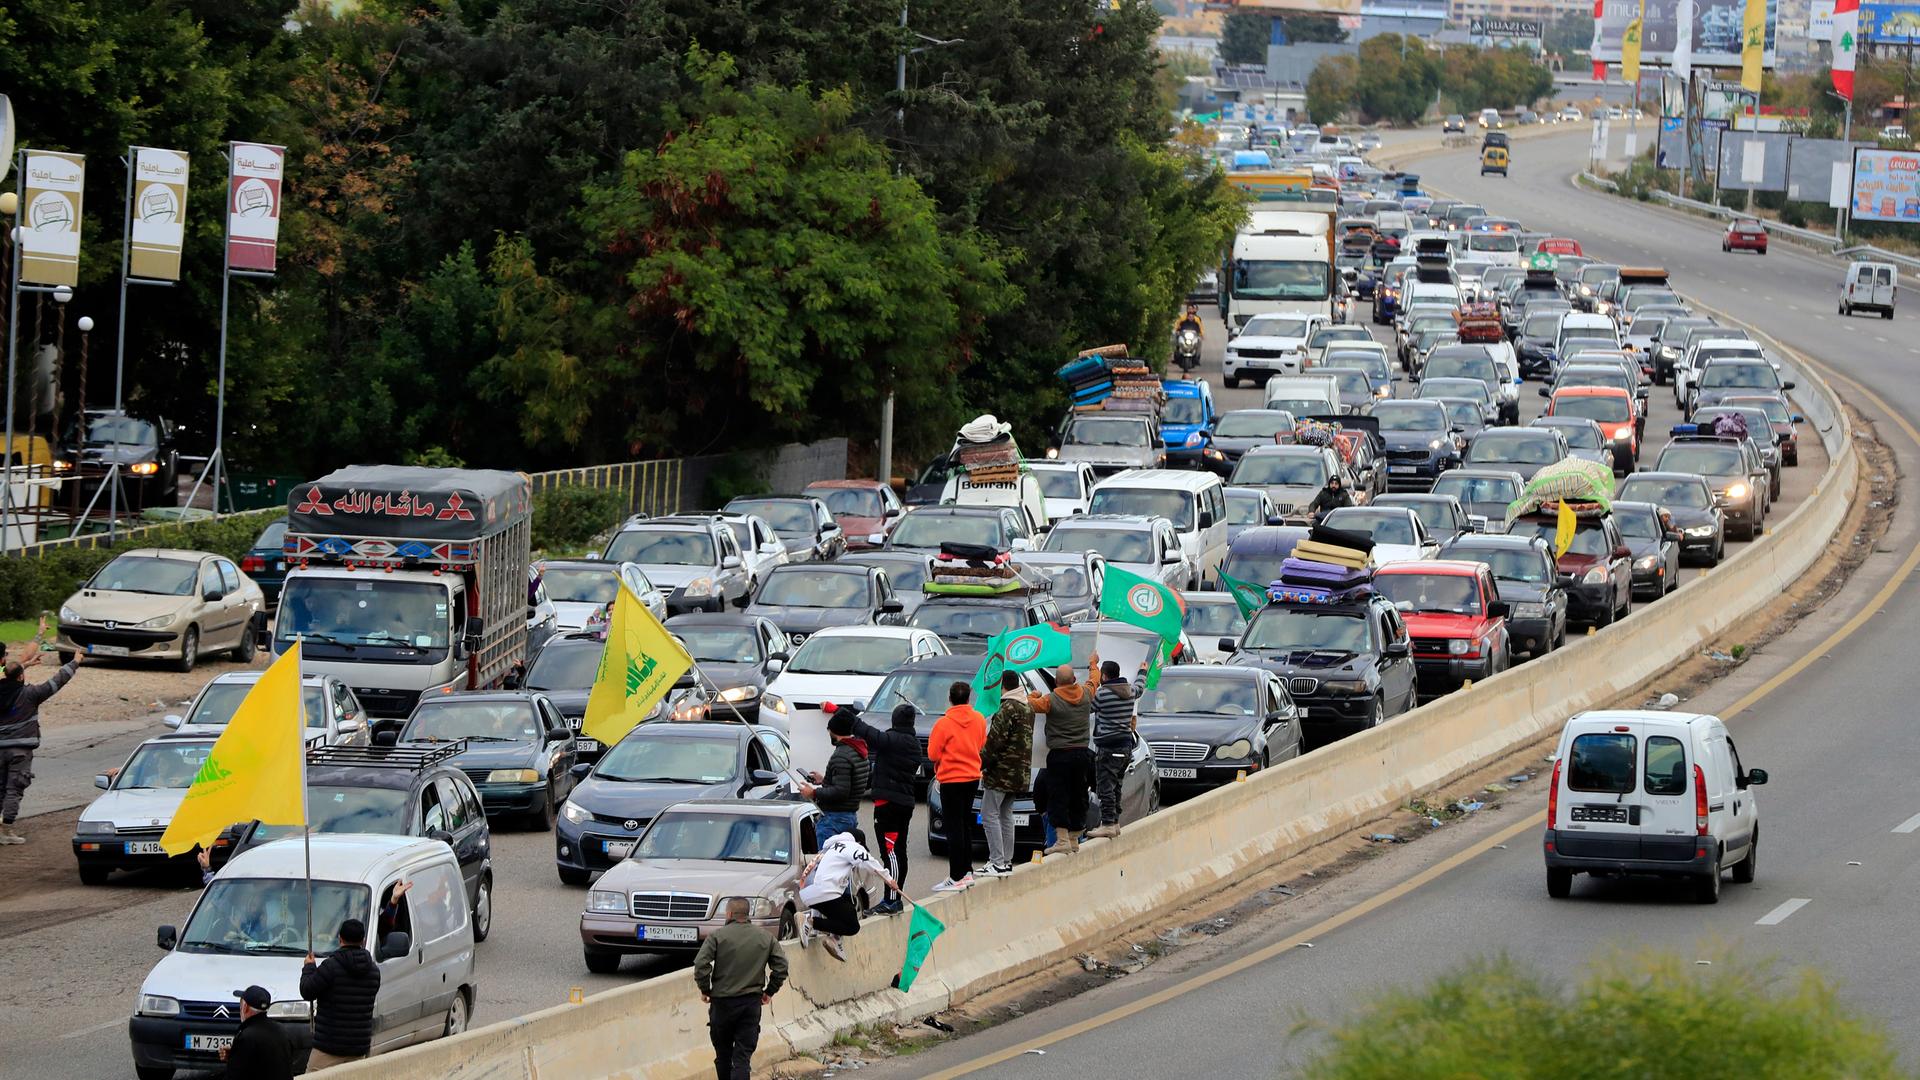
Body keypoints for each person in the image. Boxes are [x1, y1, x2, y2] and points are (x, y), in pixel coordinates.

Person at [693, 896, 790, 1080]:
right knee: (742, 1058)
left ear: (729, 913)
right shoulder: (765, 937)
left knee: (723, 1055)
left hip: (722, 1004)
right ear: (747, 914)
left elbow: (701, 965)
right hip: (750, 1004)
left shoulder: (717, 936)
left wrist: (705, 989)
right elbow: (782, 967)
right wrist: (769, 991)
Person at [841, 702, 921, 915]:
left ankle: (892, 900)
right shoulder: (911, 742)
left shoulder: (895, 740)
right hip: (902, 804)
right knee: (898, 852)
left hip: (890, 806)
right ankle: (892, 897)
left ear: (895, 721)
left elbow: (870, 734)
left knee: (891, 852)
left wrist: (844, 715)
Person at [0, 646, 80, 844]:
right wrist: (75, 662)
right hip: (21, 750)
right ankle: (6, 831)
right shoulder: (30, 694)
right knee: (14, 789)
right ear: (20, 677)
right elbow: (57, 681)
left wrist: (24, 664)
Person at [1027, 655, 1101, 856]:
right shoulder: (1086, 694)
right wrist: (1093, 663)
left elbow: (1031, 705)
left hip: (1059, 756)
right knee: (1079, 796)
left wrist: (1033, 694)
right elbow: (1095, 679)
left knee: (1058, 797)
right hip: (1082, 754)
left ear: (1056, 682)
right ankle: (1074, 838)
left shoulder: (1050, 700)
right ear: (1074, 680)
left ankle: (1061, 839)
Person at [796, 827, 898, 962]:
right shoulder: (851, 846)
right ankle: (809, 921)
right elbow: (867, 861)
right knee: (852, 926)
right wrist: (889, 879)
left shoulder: (828, 849)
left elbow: (816, 882)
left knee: (847, 902)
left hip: (807, 892)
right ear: (859, 842)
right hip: (824, 891)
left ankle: (834, 938)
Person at [925, 681, 987, 891]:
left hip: (951, 779)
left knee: (953, 828)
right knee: (964, 824)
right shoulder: (979, 719)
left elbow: (932, 754)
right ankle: (967, 871)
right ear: (969, 698)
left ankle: (956, 875)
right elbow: (981, 744)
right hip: (971, 777)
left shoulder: (944, 724)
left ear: (950, 699)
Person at [300, 918, 382, 1070]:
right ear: (363, 941)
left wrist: (309, 968)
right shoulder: (373, 971)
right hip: (358, 1048)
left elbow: (307, 991)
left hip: (328, 1048)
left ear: (340, 939)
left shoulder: (330, 967)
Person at [978, 671, 1034, 878]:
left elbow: (995, 742)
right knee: (1005, 815)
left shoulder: (1007, 708)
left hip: (1001, 771)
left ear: (1003, 686)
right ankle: (1006, 861)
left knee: (988, 814)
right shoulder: (1027, 707)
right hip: (1020, 772)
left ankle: (996, 862)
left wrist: (980, 763)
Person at [1090, 659, 1148, 840]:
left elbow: (1088, 707)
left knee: (1105, 787)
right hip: (1125, 747)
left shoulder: (1102, 694)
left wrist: (1092, 673)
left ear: (1105, 676)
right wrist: (1142, 672)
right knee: (1117, 786)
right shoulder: (1129, 691)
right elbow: (1139, 687)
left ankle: (1107, 824)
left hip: (1108, 747)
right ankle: (1114, 822)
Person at [799, 708, 870, 843]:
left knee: (828, 861)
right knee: (843, 860)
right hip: (849, 816)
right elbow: (849, 781)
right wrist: (824, 780)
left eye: (829, 730)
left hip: (834, 819)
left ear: (835, 731)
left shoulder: (841, 755)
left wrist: (813, 792)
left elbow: (841, 791)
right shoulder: (858, 750)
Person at [219, 985, 295, 1079]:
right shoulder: (281, 1031)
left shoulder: (247, 1037)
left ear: (245, 1007)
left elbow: (235, 1075)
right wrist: (235, 1054)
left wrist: (236, 1057)